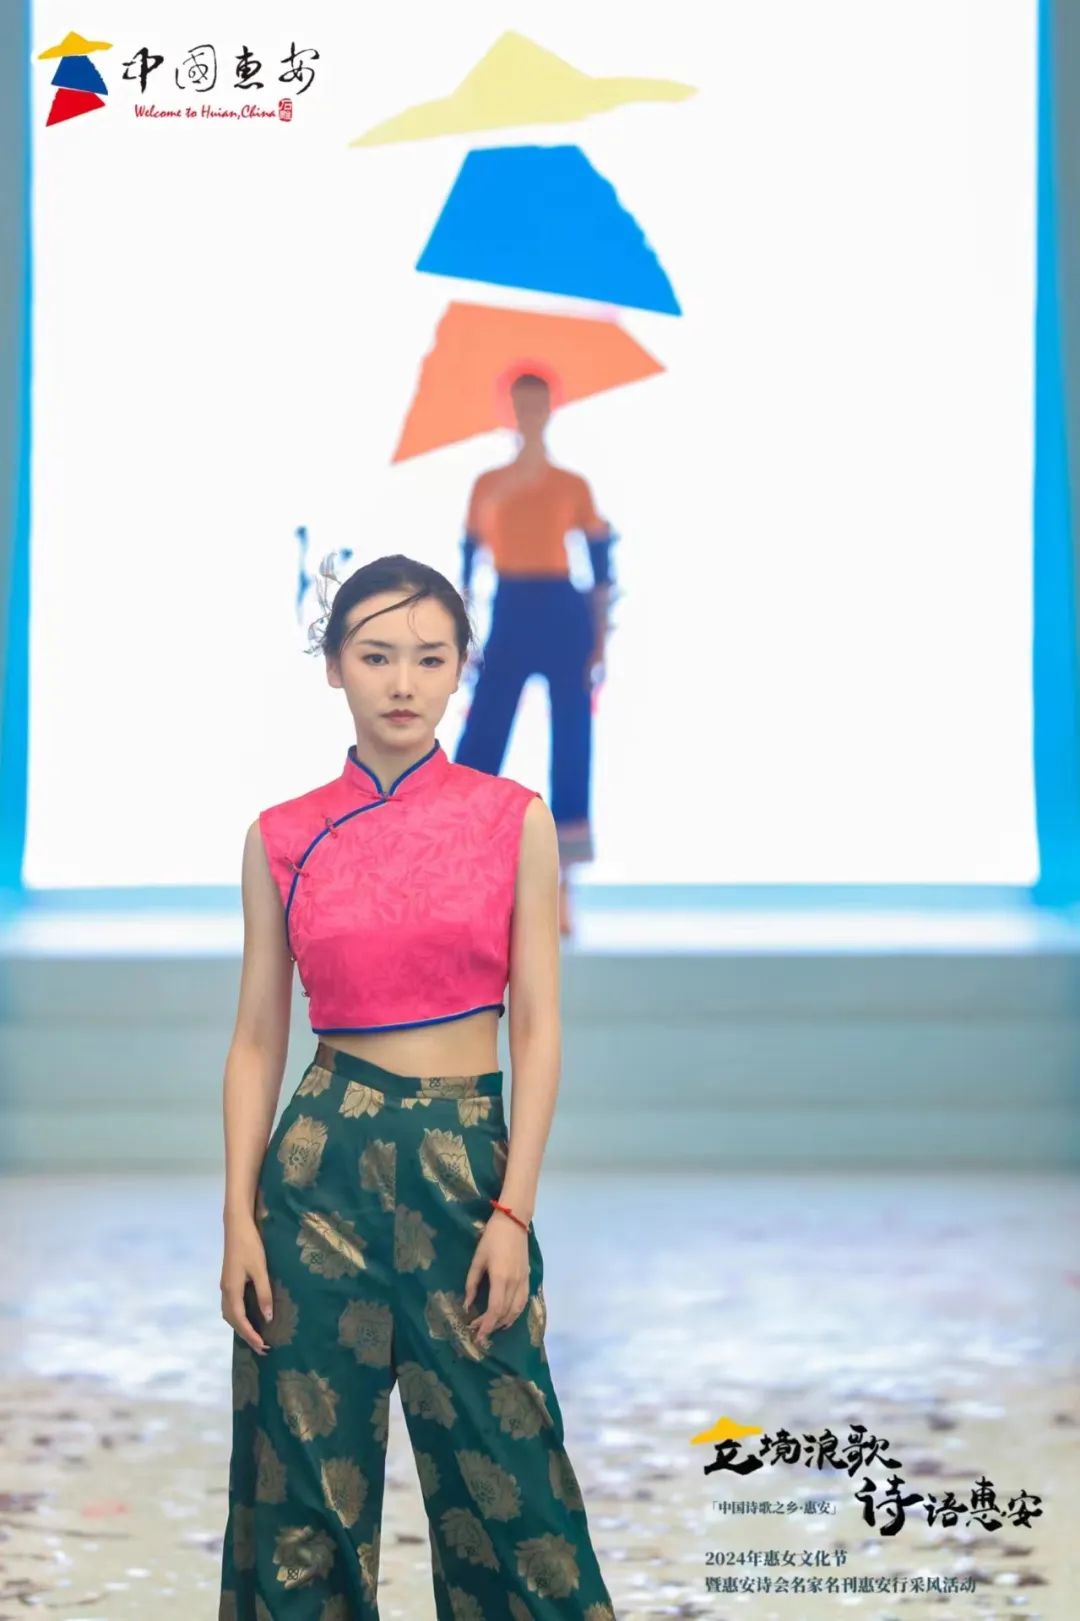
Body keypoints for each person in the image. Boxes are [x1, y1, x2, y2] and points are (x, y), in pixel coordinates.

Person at [218, 554, 617, 1620]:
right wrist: (240, 1219)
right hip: (318, 1173)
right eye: (376, 656)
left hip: (467, 1168)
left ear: (462, 670)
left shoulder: (513, 818)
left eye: (430, 659)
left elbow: (537, 1024)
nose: (403, 682)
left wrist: (513, 1210)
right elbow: (257, 1037)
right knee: (302, 1509)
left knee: (517, 1497)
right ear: (334, 668)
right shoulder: (281, 835)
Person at [454, 372, 618, 937]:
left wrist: (600, 639)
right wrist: (461, 640)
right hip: (510, 607)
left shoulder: (571, 485)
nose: (530, 414)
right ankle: (462, 869)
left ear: (550, 409)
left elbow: (601, 566)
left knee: (572, 739)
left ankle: (564, 886)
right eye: (522, 404)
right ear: (511, 410)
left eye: (538, 404)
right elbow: (468, 569)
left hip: (561, 609)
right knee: (482, 735)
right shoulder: (488, 485)